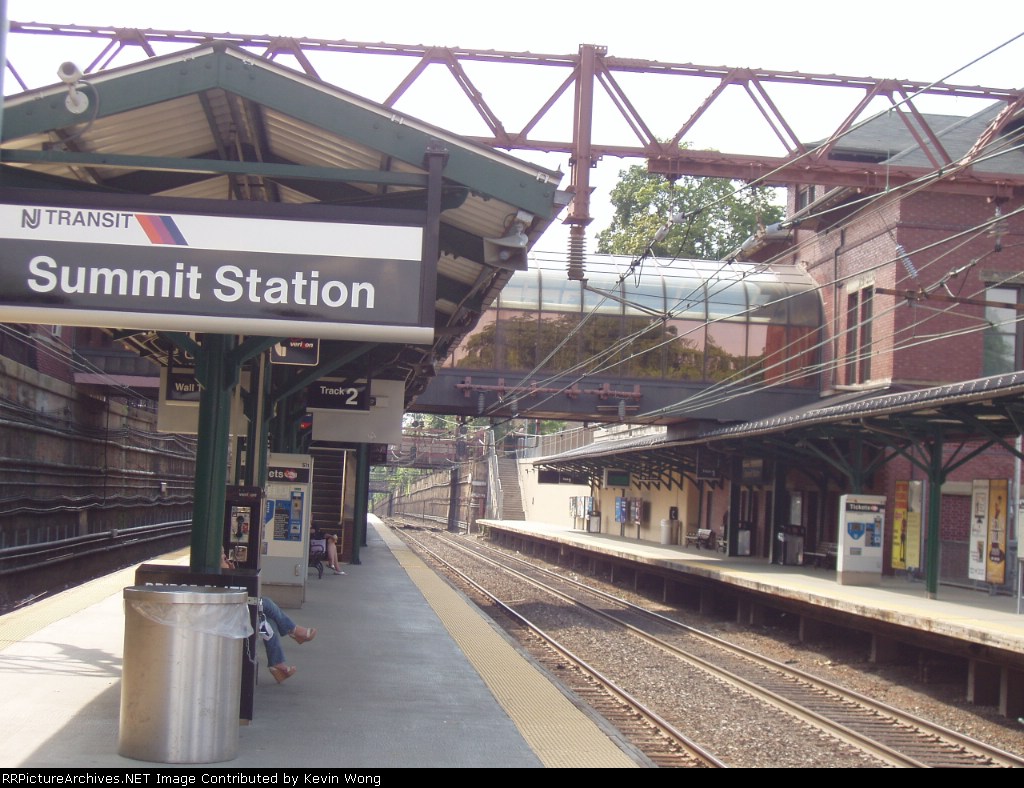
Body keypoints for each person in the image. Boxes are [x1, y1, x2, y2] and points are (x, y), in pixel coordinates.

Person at [222, 550, 316, 683]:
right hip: (232, 613)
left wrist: (231, 569)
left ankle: (278, 662)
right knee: (265, 603)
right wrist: (226, 569)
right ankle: (293, 632)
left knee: (267, 620)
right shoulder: (217, 572)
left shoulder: (224, 569)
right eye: (223, 556)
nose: (226, 558)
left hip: (238, 608)